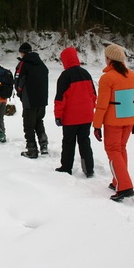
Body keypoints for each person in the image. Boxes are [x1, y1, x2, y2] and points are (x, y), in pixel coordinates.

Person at [93, 43, 134, 202]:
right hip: (129, 118)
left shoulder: (107, 78)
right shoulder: (133, 75)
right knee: (121, 149)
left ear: (109, 59)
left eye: (105, 57)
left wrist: (96, 125)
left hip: (113, 121)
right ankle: (117, 181)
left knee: (113, 150)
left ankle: (125, 187)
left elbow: (102, 104)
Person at [54, 47, 96, 177]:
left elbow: (60, 99)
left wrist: (58, 116)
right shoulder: (86, 73)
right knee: (84, 141)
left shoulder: (65, 76)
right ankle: (88, 169)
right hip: (87, 116)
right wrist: (90, 109)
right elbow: (94, 95)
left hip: (71, 118)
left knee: (68, 142)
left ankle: (66, 167)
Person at [14, 42, 49, 158]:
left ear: (22, 52)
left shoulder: (23, 64)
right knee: (38, 121)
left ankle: (32, 150)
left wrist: (19, 93)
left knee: (28, 125)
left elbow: (19, 81)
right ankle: (44, 144)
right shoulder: (41, 64)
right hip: (42, 100)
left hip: (29, 99)